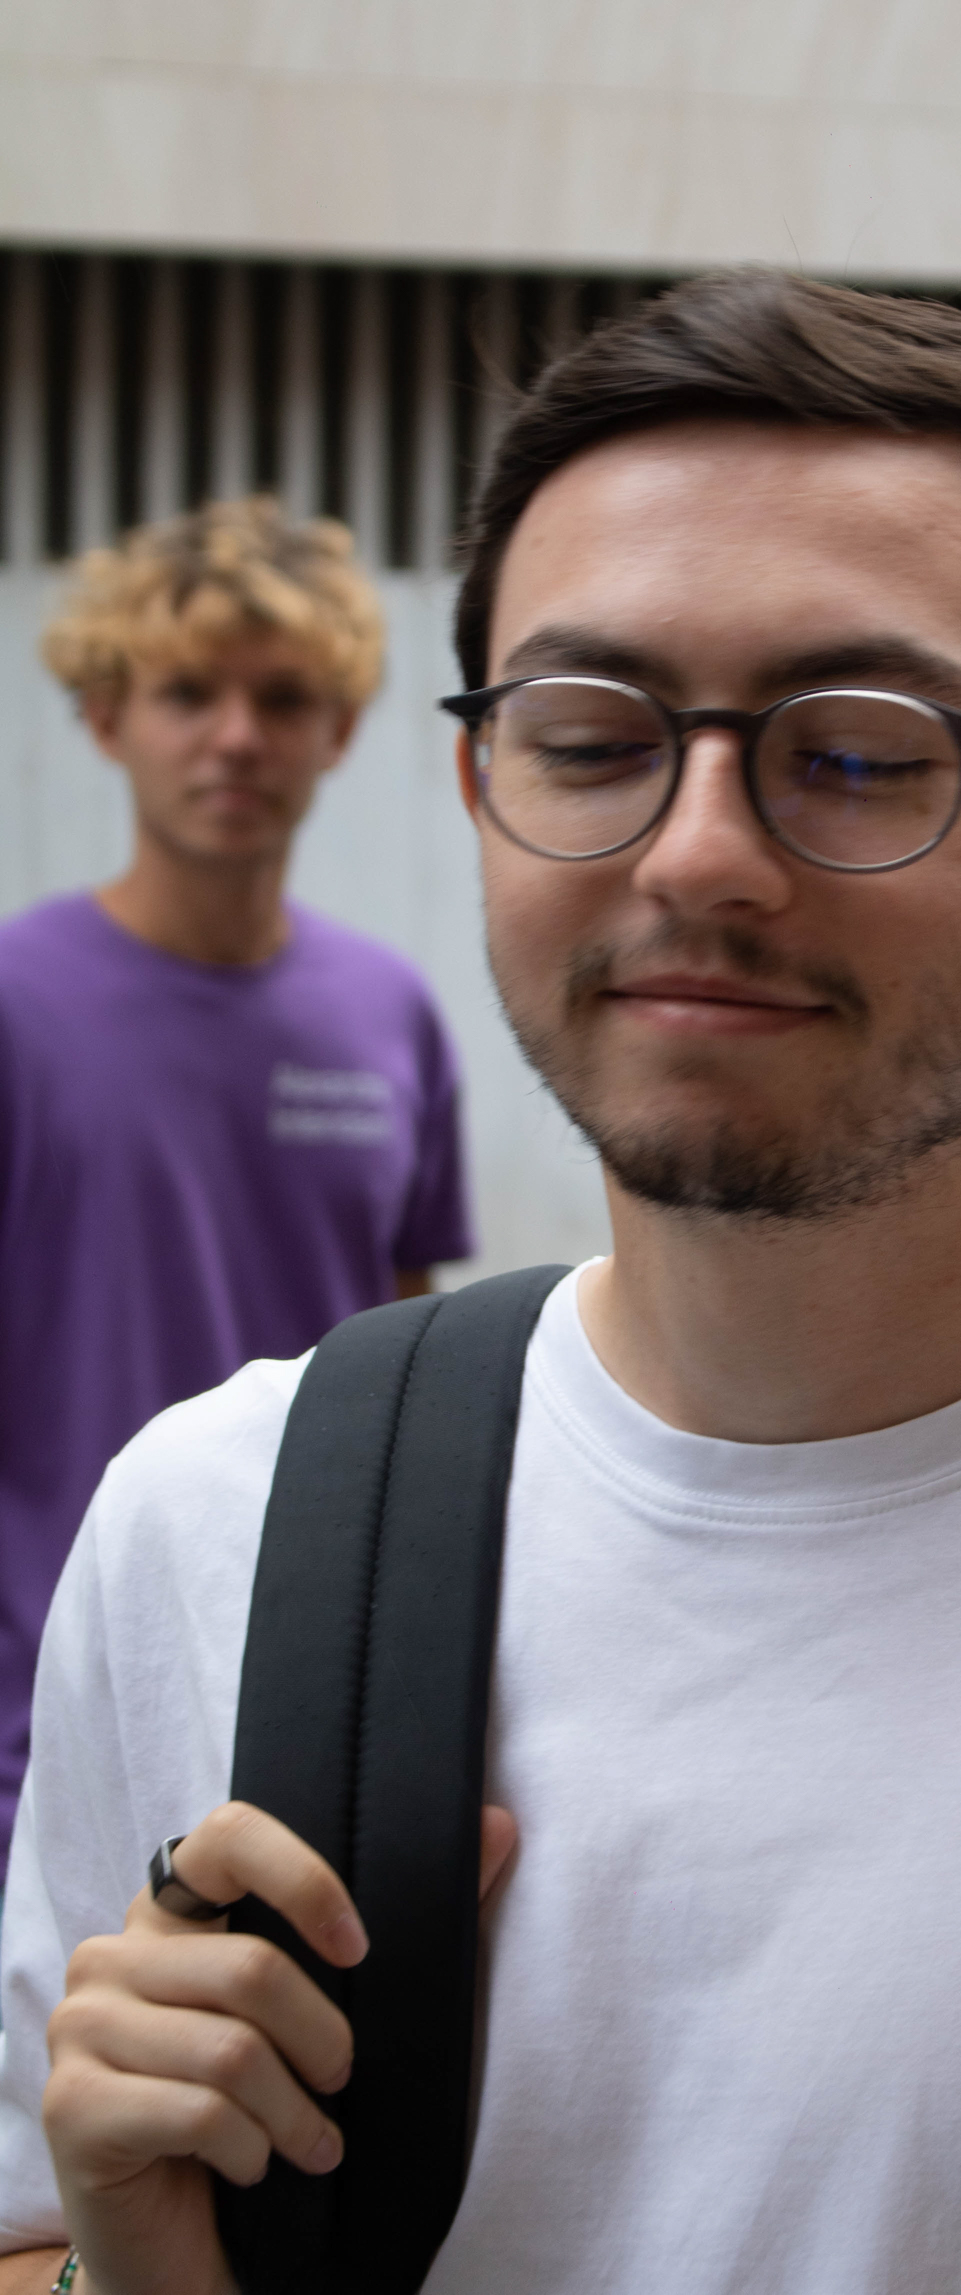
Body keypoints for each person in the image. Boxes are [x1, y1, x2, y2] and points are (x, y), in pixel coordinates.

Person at [1, 273, 961, 2294]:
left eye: (860, 754)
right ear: (484, 794)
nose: (697, 852)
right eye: (591, 737)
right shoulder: (215, 1531)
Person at [0, 499, 475, 1889]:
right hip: (42, 1730)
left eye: (283, 699)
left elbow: (409, 1378)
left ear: (339, 730)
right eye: (187, 693)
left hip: (310, 1730)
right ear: (105, 717)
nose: (236, 737)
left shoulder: (389, 1016)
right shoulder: (16, 1005)